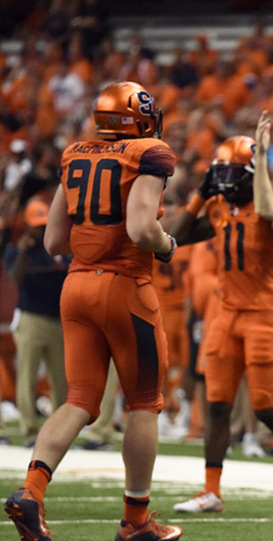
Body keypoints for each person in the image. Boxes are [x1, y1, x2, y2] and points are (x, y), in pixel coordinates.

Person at [4, 81, 183, 541]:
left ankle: (31, 491)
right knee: (144, 403)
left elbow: (53, 241)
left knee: (79, 399)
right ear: (138, 118)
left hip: (76, 286)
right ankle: (136, 521)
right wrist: (166, 245)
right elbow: (143, 228)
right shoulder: (150, 152)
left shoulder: (74, 153)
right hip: (125, 287)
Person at [170, 125, 273, 516]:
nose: (224, 182)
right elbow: (173, 238)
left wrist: (262, 179)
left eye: (230, 173)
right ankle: (211, 490)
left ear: (251, 173)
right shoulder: (219, 207)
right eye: (218, 173)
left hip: (260, 312)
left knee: (263, 406)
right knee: (217, 403)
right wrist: (200, 195)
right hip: (224, 312)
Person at [3, 199, 69, 448]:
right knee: (27, 378)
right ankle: (30, 433)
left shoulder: (58, 247)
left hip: (57, 320)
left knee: (61, 380)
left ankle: (58, 435)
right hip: (30, 319)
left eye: (44, 225)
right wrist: (21, 252)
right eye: (37, 226)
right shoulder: (18, 251)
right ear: (27, 226)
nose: (41, 230)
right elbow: (15, 280)